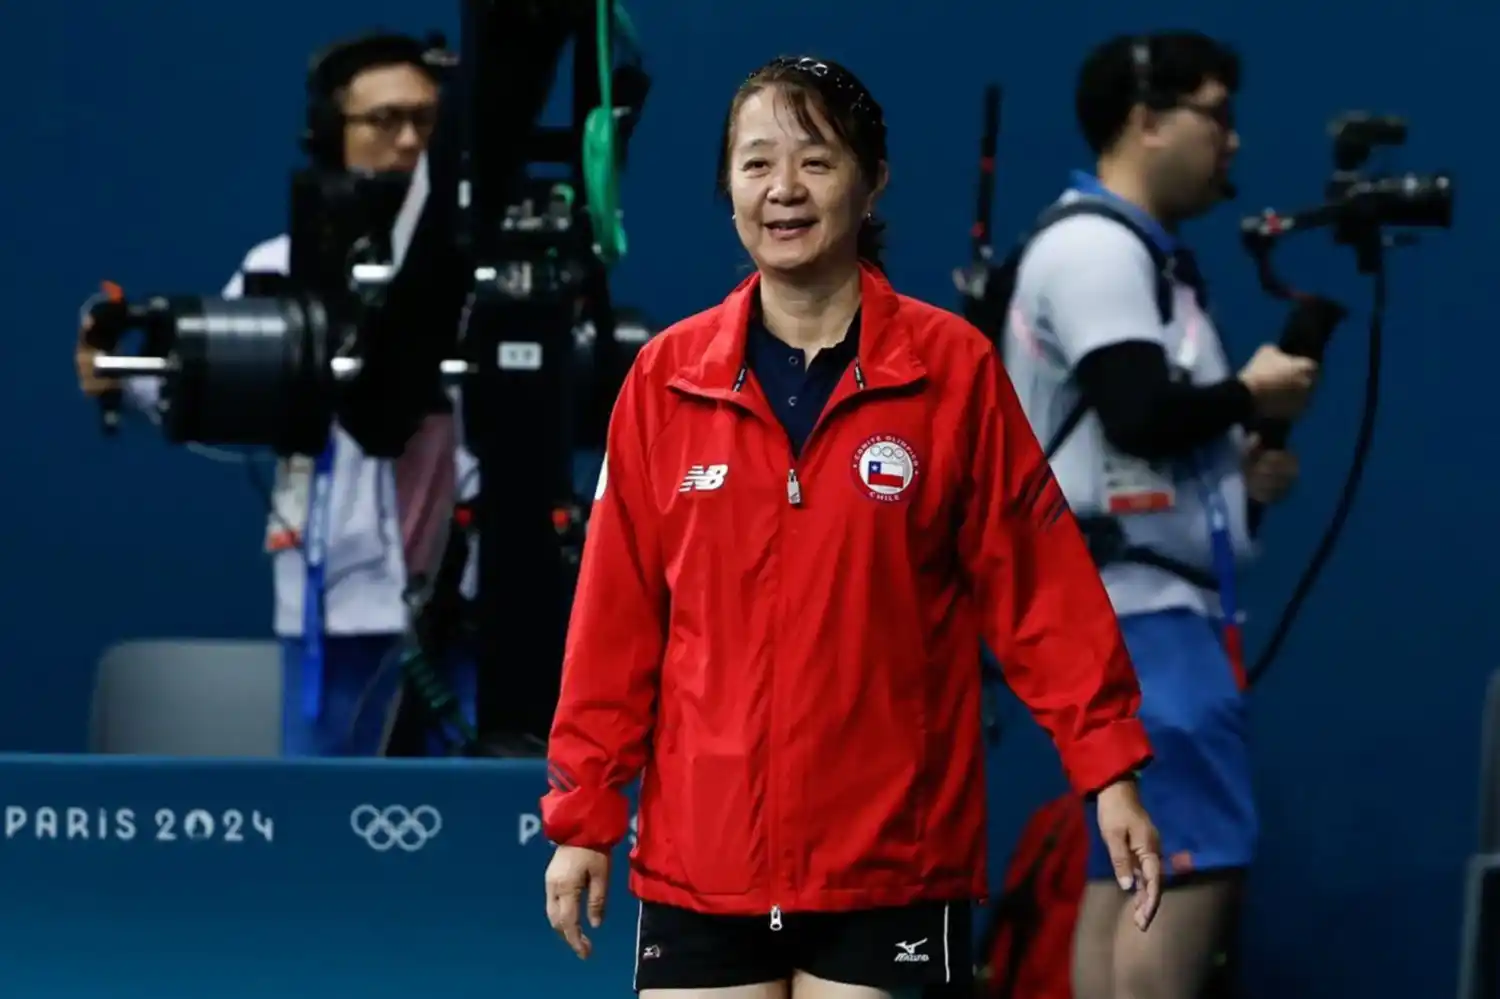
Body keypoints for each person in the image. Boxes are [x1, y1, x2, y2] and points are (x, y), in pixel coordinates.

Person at [540, 55, 1162, 999]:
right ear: (727, 187)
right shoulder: (666, 381)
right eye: (756, 163)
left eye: (816, 160)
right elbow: (614, 624)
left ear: (872, 181)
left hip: (892, 859)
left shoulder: (950, 371)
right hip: (703, 859)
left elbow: (1041, 590)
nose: (783, 189)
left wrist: (1109, 770)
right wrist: (585, 812)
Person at [1001, 33, 1317, 999]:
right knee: (1186, 862)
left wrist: (1234, 474)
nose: (1232, 140)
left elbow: (1137, 435)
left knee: (1130, 867)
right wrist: (1250, 392)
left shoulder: (1134, 256)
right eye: (1215, 115)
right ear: (1145, 121)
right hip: (1141, 619)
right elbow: (1138, 408)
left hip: (1133, 613)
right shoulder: (1095, 246)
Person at [74, 31, 478, 758]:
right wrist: (119, 371)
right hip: (333, 608)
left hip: (473, 604)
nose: (408, 140)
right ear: (330, 133)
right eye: (384, 120)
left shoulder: (487, 264)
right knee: (325, 811)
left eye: (426, 121)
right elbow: (216, 382)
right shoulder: (279, 268)